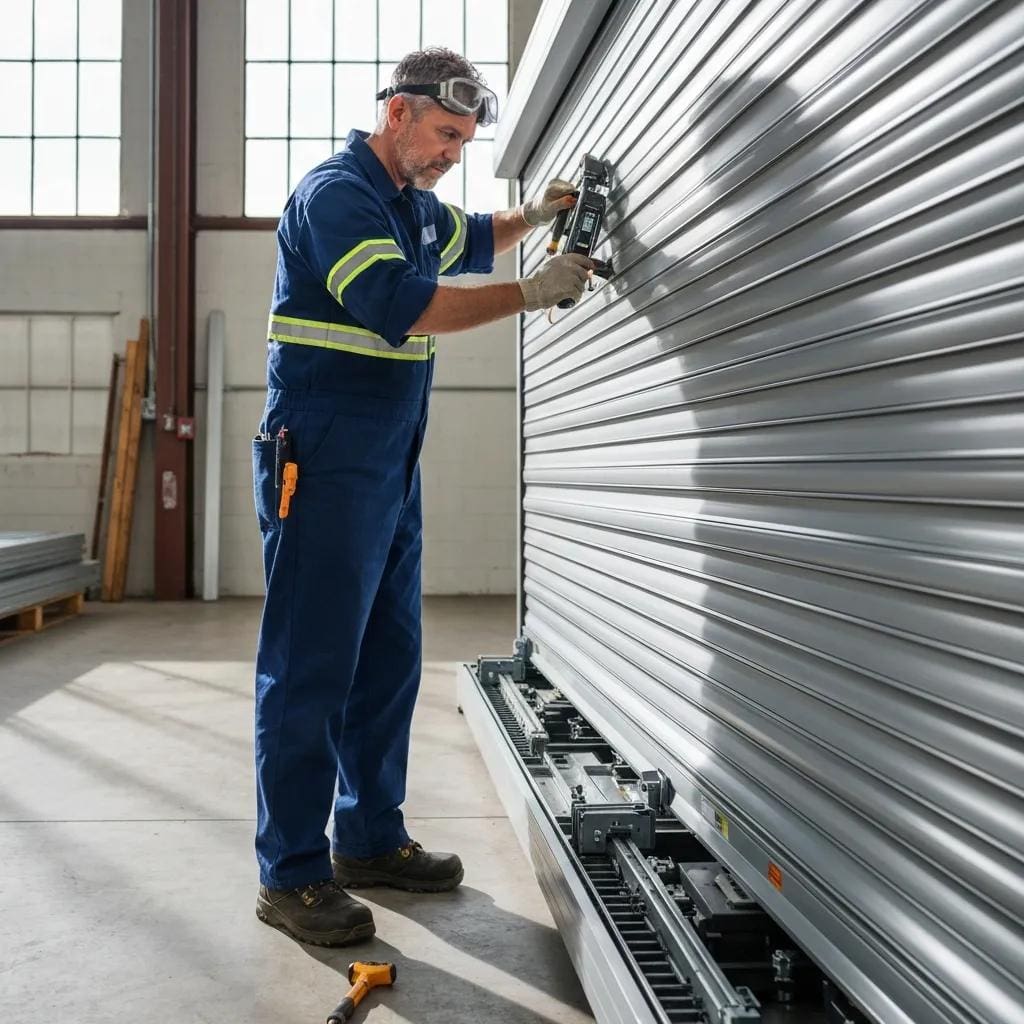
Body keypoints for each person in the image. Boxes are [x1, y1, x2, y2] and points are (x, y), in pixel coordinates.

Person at [252, 46, 593, 947]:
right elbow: (401, 305)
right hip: (321, 453)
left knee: (388, 657)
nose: (452, 153)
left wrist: (536, 214)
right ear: (396, 113)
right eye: (444, 134)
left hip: (388, 458)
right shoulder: (337, 195)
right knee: (312, 664)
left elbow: (472, 236)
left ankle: (366, 838)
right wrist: (531, 294)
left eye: (464, 141)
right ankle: (290, 874)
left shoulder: (408, 203)